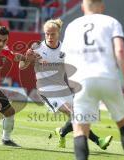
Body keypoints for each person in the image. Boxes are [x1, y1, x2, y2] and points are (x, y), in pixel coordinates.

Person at [61, 0, 124, 159]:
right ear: (102, 6)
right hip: (108, 78)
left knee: (80, 130)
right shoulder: (111, 22)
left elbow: (65, 59)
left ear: (82, 7)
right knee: (123, 123)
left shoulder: (72, 25)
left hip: (82, 82)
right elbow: (120, 50)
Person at [19, 18, 112, 149]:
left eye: (53, 34)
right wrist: (27, 59)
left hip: (63, 88)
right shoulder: (37, 48)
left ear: (59, 33)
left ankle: (62, 132)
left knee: (80, 115)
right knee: (75, 113)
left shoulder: (66, 48)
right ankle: (98, 141)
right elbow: (21, 66)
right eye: (47, 34)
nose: (50, 37)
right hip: (47, 89)